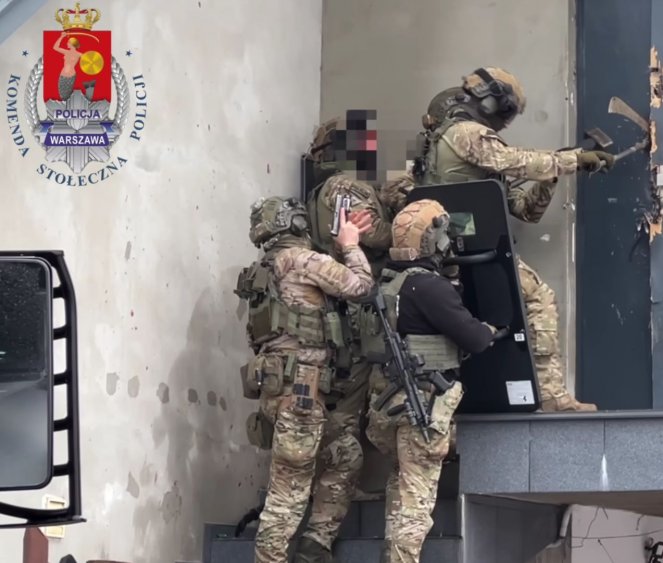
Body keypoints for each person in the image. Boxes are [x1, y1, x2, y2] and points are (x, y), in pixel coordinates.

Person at [412, 68, 615, 412]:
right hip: (462, 248)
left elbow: (524, 209)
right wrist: (570, 160)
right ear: (492, 102)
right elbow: (515, 161)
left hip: (459, 248)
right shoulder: (465, 133)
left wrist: (551, 175)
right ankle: (551, 396)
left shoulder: (455, 143)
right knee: (539, 297)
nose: (504, 122)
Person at [234, 195, 375, 563]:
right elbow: (362, 288)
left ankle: (314, 546)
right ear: (295, 222)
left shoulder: (265, 269)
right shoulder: (300, 260)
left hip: (285, 390)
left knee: (345, 455)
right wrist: (350, 246)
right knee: (288, 493)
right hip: (300, 394)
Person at [363, 199, 498, 563]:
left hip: (387, 406)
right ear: (432, 240)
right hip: (419, 407)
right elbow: (475, 339)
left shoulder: (388, 282)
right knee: (416, 505)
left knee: (401, 486)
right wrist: (488, 329)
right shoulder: (429, 287)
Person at [51, 32, 95, 101]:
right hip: (62, 75)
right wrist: (61, 37)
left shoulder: (79, 54)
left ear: (72, 44)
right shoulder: (66, 52)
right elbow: (55, 47)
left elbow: (90, 59)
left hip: (71, 76)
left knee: (67, 95)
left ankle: (89, 89)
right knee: (62, 94)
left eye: (68, 42)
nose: (67, 44)